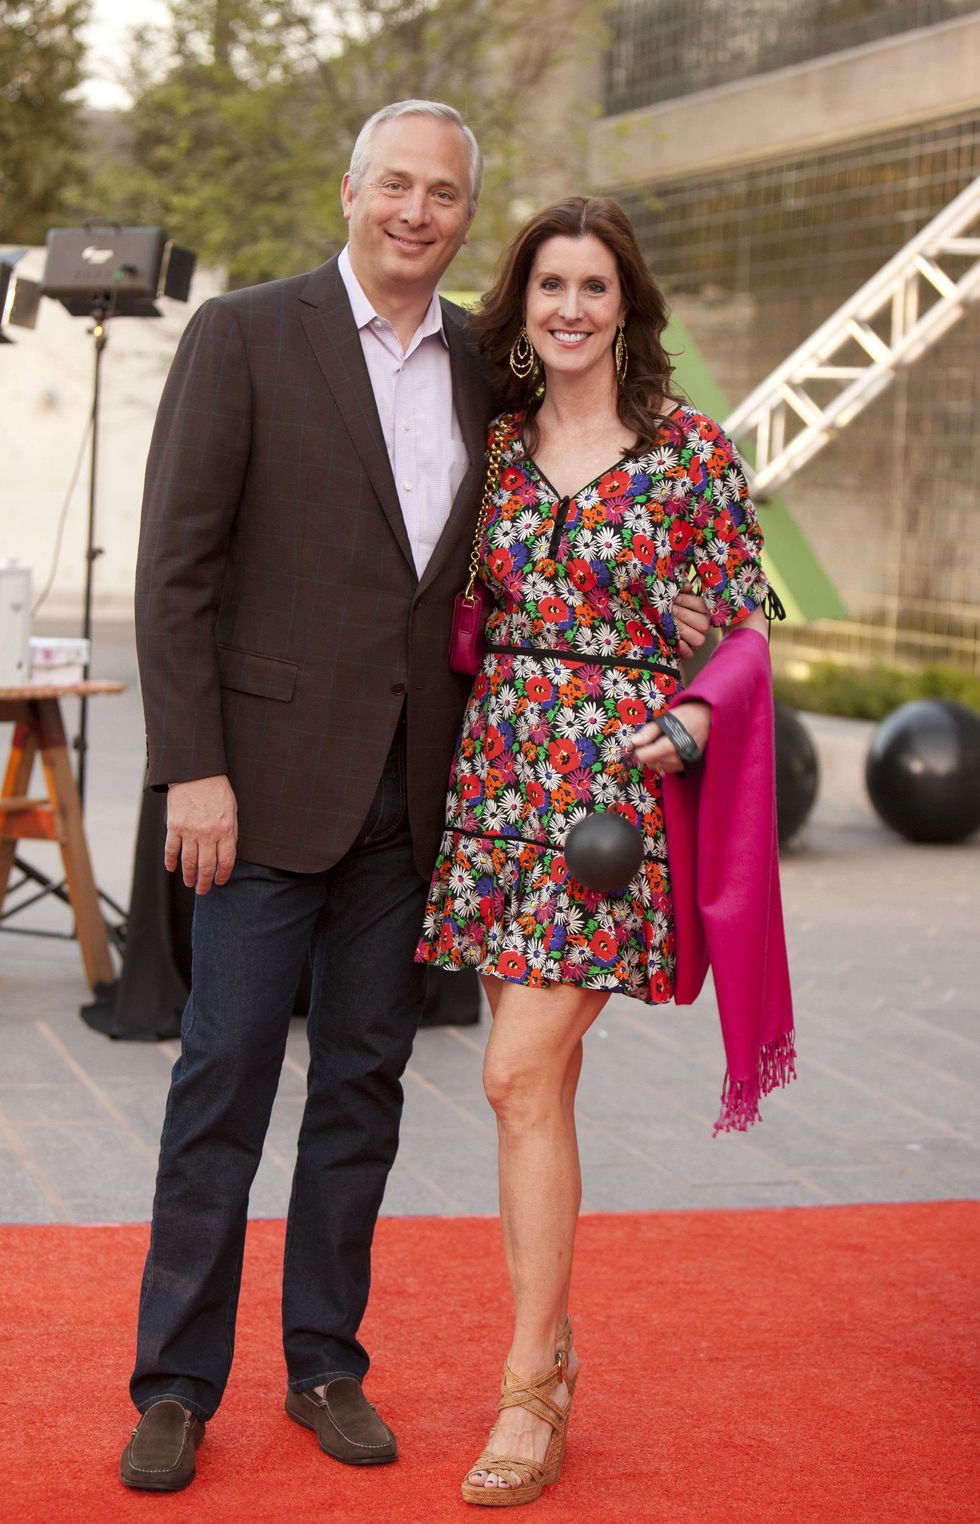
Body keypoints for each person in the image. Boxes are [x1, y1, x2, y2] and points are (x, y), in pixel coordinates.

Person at [121, 101, 714, 1494]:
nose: (416, 212)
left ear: (465, 218)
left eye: (443, 194)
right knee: (220, 1085)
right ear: (350, 189)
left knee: (363, 1091)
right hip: (260, 794)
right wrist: (192, 767)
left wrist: (684, 648)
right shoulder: (243, 335)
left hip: (423, 809)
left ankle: (325, 1362)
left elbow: (565, 539)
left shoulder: (485, 370)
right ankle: (175, 1385)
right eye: (395, 184)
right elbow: (175, 570)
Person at [416, 196, 784, 1506]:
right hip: (498, 781)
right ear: (521, 306)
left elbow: (746, 627)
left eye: (594, 286)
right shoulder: (495, 447)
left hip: (614, 804)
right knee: (538, 1092)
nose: (570, 307)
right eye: (550, 285)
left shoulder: (689, 451)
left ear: (628, 305)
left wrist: (693, 719)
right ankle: (554, 1350)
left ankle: (528, 1385)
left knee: (512, 1072)